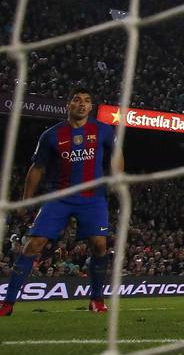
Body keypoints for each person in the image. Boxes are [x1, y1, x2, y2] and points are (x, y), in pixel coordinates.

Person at [1, 88, 118, 316]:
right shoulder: (51, 135)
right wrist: (27, 201)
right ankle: (7, 303)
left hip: (92, 197)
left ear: (91, 107)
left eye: (87, 101)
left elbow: (117, 154)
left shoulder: (103, 130)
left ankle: (97, 299)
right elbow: (37, 168)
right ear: (68, 105)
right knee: (33, 245)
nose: (82, 104)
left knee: (100, 245)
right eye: (77, 100)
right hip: (59, 197)